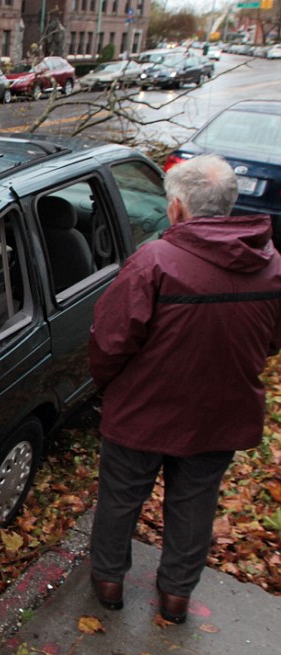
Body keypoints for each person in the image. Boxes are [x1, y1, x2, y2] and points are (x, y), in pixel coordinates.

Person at [87, 154, 281, 623]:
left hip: (142, 411)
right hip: (223, 412)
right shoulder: (271, 264)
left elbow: (110, 341)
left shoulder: (154, 261)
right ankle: (176, 596)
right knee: (195, 504)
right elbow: (271, 339)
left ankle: (109, 583)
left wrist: (107, 386)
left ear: (176, 208)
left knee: (120, 498)